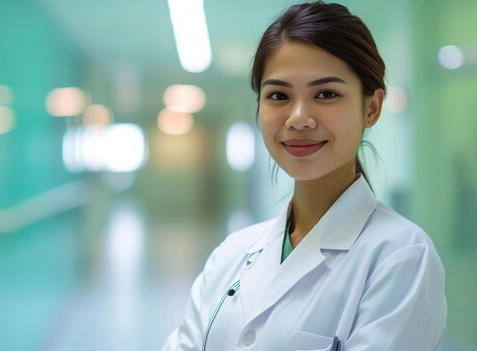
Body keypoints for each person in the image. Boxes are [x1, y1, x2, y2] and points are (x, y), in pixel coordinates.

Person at [162, 2, 447, 350]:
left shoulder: (400, 257)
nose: (298, 118)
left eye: (326, 94)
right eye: (279, 95)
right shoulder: (232, 253)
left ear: (371, 108)